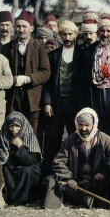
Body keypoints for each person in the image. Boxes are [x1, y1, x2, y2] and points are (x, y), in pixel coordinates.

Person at [43, 108, 110, 209]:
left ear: (94, 125)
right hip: (76, 182)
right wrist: (69, 178)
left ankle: (82, 199)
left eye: (87, 125)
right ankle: (84, 199)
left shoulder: (106, 140)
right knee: (53, 181)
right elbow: (59, 162)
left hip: (96, 182)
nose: (84, 128)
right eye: (81, 125)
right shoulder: (70, 140)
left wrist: (103, 171)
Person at [77, 18, 110, 139]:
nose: (105, 34)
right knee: (98, 125)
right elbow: (83, 76)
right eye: (102, 31)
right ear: (98, 32)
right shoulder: (90, 51)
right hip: (96, 92)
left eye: (108, 31)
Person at [2, 10, 51, 134]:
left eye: (24, 26)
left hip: (33, 99)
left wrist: (27, 79)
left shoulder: (39, 47)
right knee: (13, 132)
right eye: (18, 26)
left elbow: (46, 72)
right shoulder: (8, 47)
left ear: (32, 28)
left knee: (32, 134)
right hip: (13, 98)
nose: (21, 30)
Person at [42, 20, 81, 172]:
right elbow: (48, 81)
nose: (67, 37)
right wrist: (47, 102)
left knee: (74, 136)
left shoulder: (82, 54)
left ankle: (73, 169)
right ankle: (52, 170)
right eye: (64, 34)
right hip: (56, 103)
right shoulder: (53, 56)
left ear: (75, 35)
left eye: (70, 34)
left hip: (74, 103)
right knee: (54, 138)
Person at [0, 112, 41, 205]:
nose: (14, 129)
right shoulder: (4, 137)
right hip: (11, 167)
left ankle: (22, 199)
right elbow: (1, 159)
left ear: (22, 126)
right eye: (11, 126)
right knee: (3, 170)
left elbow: (30, 161)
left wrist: (20, 146)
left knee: (26, 171)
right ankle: (8, 199)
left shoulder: (29, 137)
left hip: (29, 167)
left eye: (17, 126)